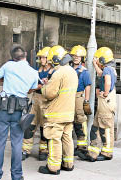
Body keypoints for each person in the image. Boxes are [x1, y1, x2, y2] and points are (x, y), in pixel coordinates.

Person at [0, 46, 39, 180]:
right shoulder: (33, 72)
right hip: (20, 111)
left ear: (12, 57)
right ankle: (16, 176)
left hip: (3, 110)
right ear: (26, 55)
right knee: (17, 144)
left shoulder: (8, 66)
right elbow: (31, 89)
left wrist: (6, 80)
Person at [39, 45, 78, 175]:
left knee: (54, 139)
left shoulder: (59, 73)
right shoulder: (72, 71)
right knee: (67, 138)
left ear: (56, 59)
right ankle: (68, 163)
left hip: (57, 114)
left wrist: (45, 86)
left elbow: (49, 94)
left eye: (51, 61)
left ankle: (53, 167)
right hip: (68, 113)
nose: (51, 63)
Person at [82, 47, 117, 162]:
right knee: (95, 127)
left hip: (105, 102)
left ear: (102, 59)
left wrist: (105, 93)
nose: (96, 60)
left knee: (105, 129)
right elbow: (101, 74)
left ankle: (107, 153)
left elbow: (107, 80)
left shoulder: (107, 70)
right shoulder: (110, 69)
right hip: (106, 104)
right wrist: (95, 65)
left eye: (97, 59)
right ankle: (93, 152)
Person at [22, 47, 52, 161]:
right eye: (40, 57)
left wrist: (40, 87)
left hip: (46, 100)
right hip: (35, 99)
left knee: (45, 127)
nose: (41, 59)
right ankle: (25, 150)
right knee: (29, 125)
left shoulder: (53, 72)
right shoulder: (37, 70)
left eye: (43, 57)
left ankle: (43, 150)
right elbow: (30, 87)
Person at [69, 45, 92, 157]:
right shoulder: (69, 69)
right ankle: (74, 145)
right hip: (68, 96)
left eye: (78, 56)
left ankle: (82, 146)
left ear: (82, 58)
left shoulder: (84, 72)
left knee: (80, 119)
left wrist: (86, 100)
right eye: (74, 56)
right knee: (70, 119)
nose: (76, 58)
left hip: (78, 97)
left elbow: (88, 86)